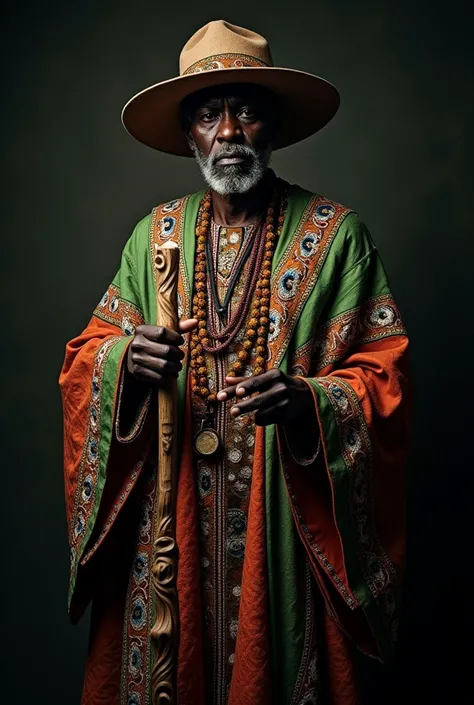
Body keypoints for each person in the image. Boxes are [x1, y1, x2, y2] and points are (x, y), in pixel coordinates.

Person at [59, 19, 411, 705]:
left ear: (271, 123)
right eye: (208, 114)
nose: (228, 132)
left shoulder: (337, 238)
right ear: (189, 131)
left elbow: (384, 377)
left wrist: (311, 402)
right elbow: (84, 362)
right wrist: (126, 362)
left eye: (246, 110)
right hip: (170, 520)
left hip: (281, 526)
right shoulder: (152, 237)